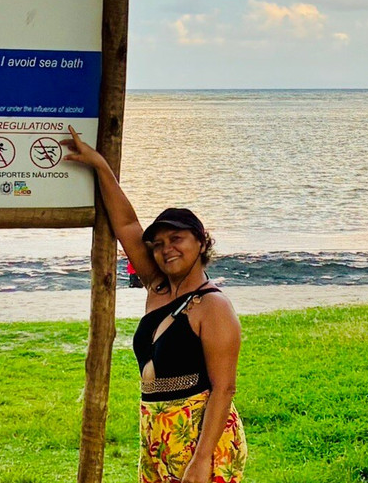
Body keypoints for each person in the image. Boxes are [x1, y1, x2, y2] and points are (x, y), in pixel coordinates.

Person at [62, 126, 247, 483]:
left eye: (176, 239)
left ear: (201, 242)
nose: (166, 250)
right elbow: (128, 224)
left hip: (199, 439)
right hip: (156, 433)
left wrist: (201, 460)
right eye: (159, 244)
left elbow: (224, 388)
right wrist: (101, 166)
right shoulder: (157, 285)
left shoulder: (214, 308)